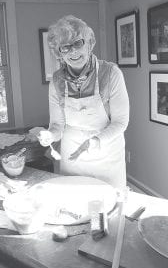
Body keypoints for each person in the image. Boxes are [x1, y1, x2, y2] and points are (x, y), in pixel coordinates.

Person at [36, 15, 129, 189]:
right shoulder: (56, 81)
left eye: (78, 43)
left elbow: (120, 122)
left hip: (106, 152)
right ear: (59, 53)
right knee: (75, 207)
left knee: (108, 207)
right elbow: (57, 125)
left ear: (90, 42)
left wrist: (94, 141)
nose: (73, 52)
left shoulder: (111, 74)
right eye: (65, 47)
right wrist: (50, 135)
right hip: (73, 157)